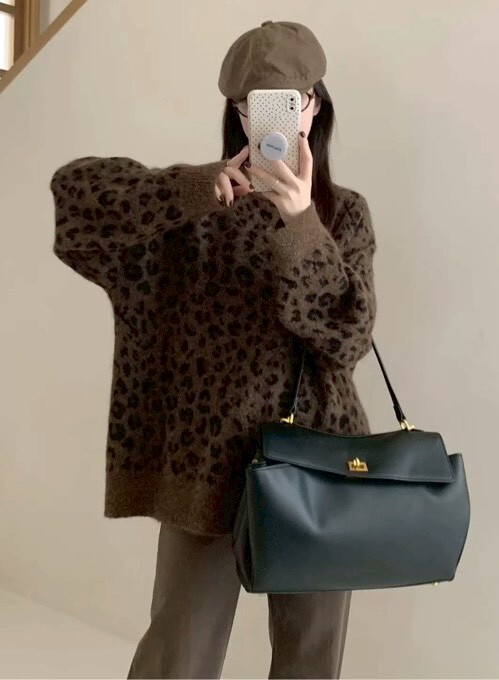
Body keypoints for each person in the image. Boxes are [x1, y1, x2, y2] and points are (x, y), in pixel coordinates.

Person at [50, 19, 377, 680]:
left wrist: (301, 224)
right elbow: (75, 203)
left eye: (289, 101)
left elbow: (347, 337)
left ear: (314, 106)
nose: (275, 117)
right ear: (237, 112)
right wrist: (194, 190)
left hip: (320, 462)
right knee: (179, 656)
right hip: (203, 462)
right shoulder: (192, 214)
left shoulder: (343, 214)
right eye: (255, 104)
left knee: (310, 660)